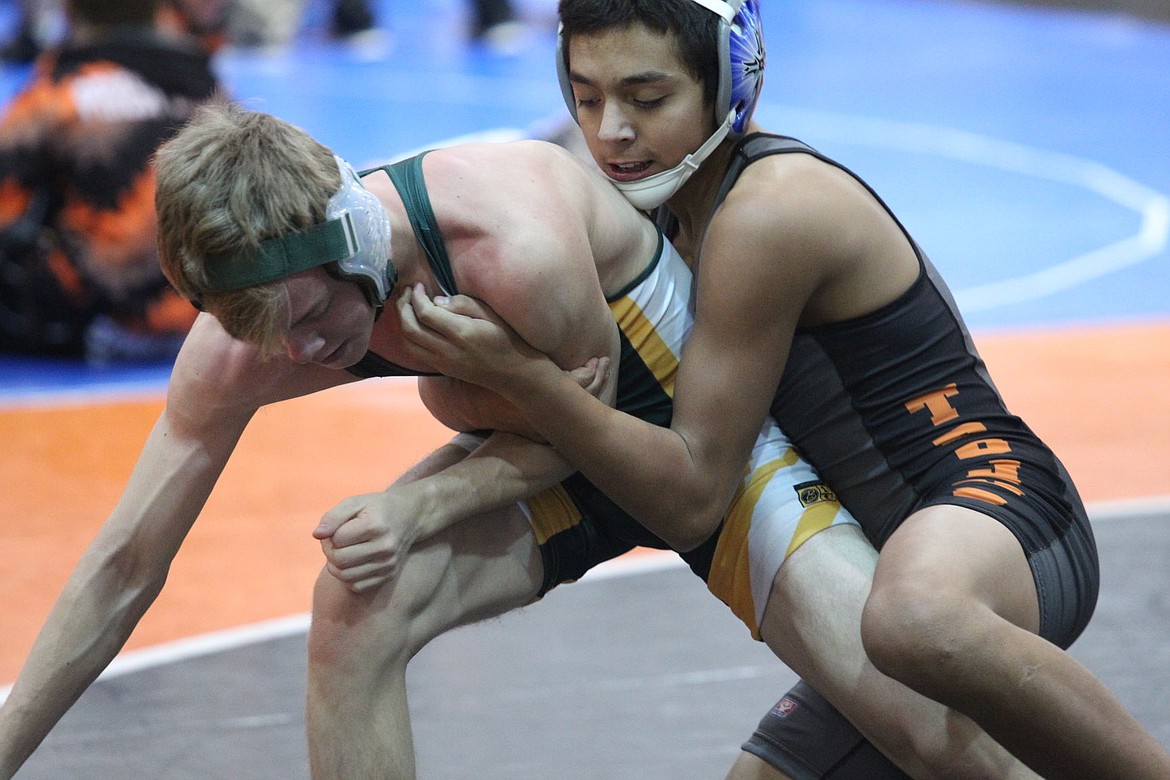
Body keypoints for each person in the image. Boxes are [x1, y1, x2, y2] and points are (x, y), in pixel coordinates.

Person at [0, 102, 905, 780]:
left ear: (354, 237)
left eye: (315, 317)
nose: (299, 355)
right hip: (545, 428)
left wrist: (421, 502)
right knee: (358, 608)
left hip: (666, 415)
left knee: (925, 715)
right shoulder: (250, 340)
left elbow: (593, 421)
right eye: (266, 337)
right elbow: (124, 566)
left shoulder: (505, 248)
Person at [398, 1, 1170, 778]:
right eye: (588, 97)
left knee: (914, 619)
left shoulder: (769, 211)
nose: (612, 132)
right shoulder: (654, 211)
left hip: (997, 519)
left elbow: (694, 491)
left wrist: (525, 381)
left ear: (732, 84)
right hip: (884, 571)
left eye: (648, 98)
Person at [0, 0, 224, 361]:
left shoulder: (58, 93)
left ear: (70, 14)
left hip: (98, 321)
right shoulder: (209, 88)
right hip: (205, 317)